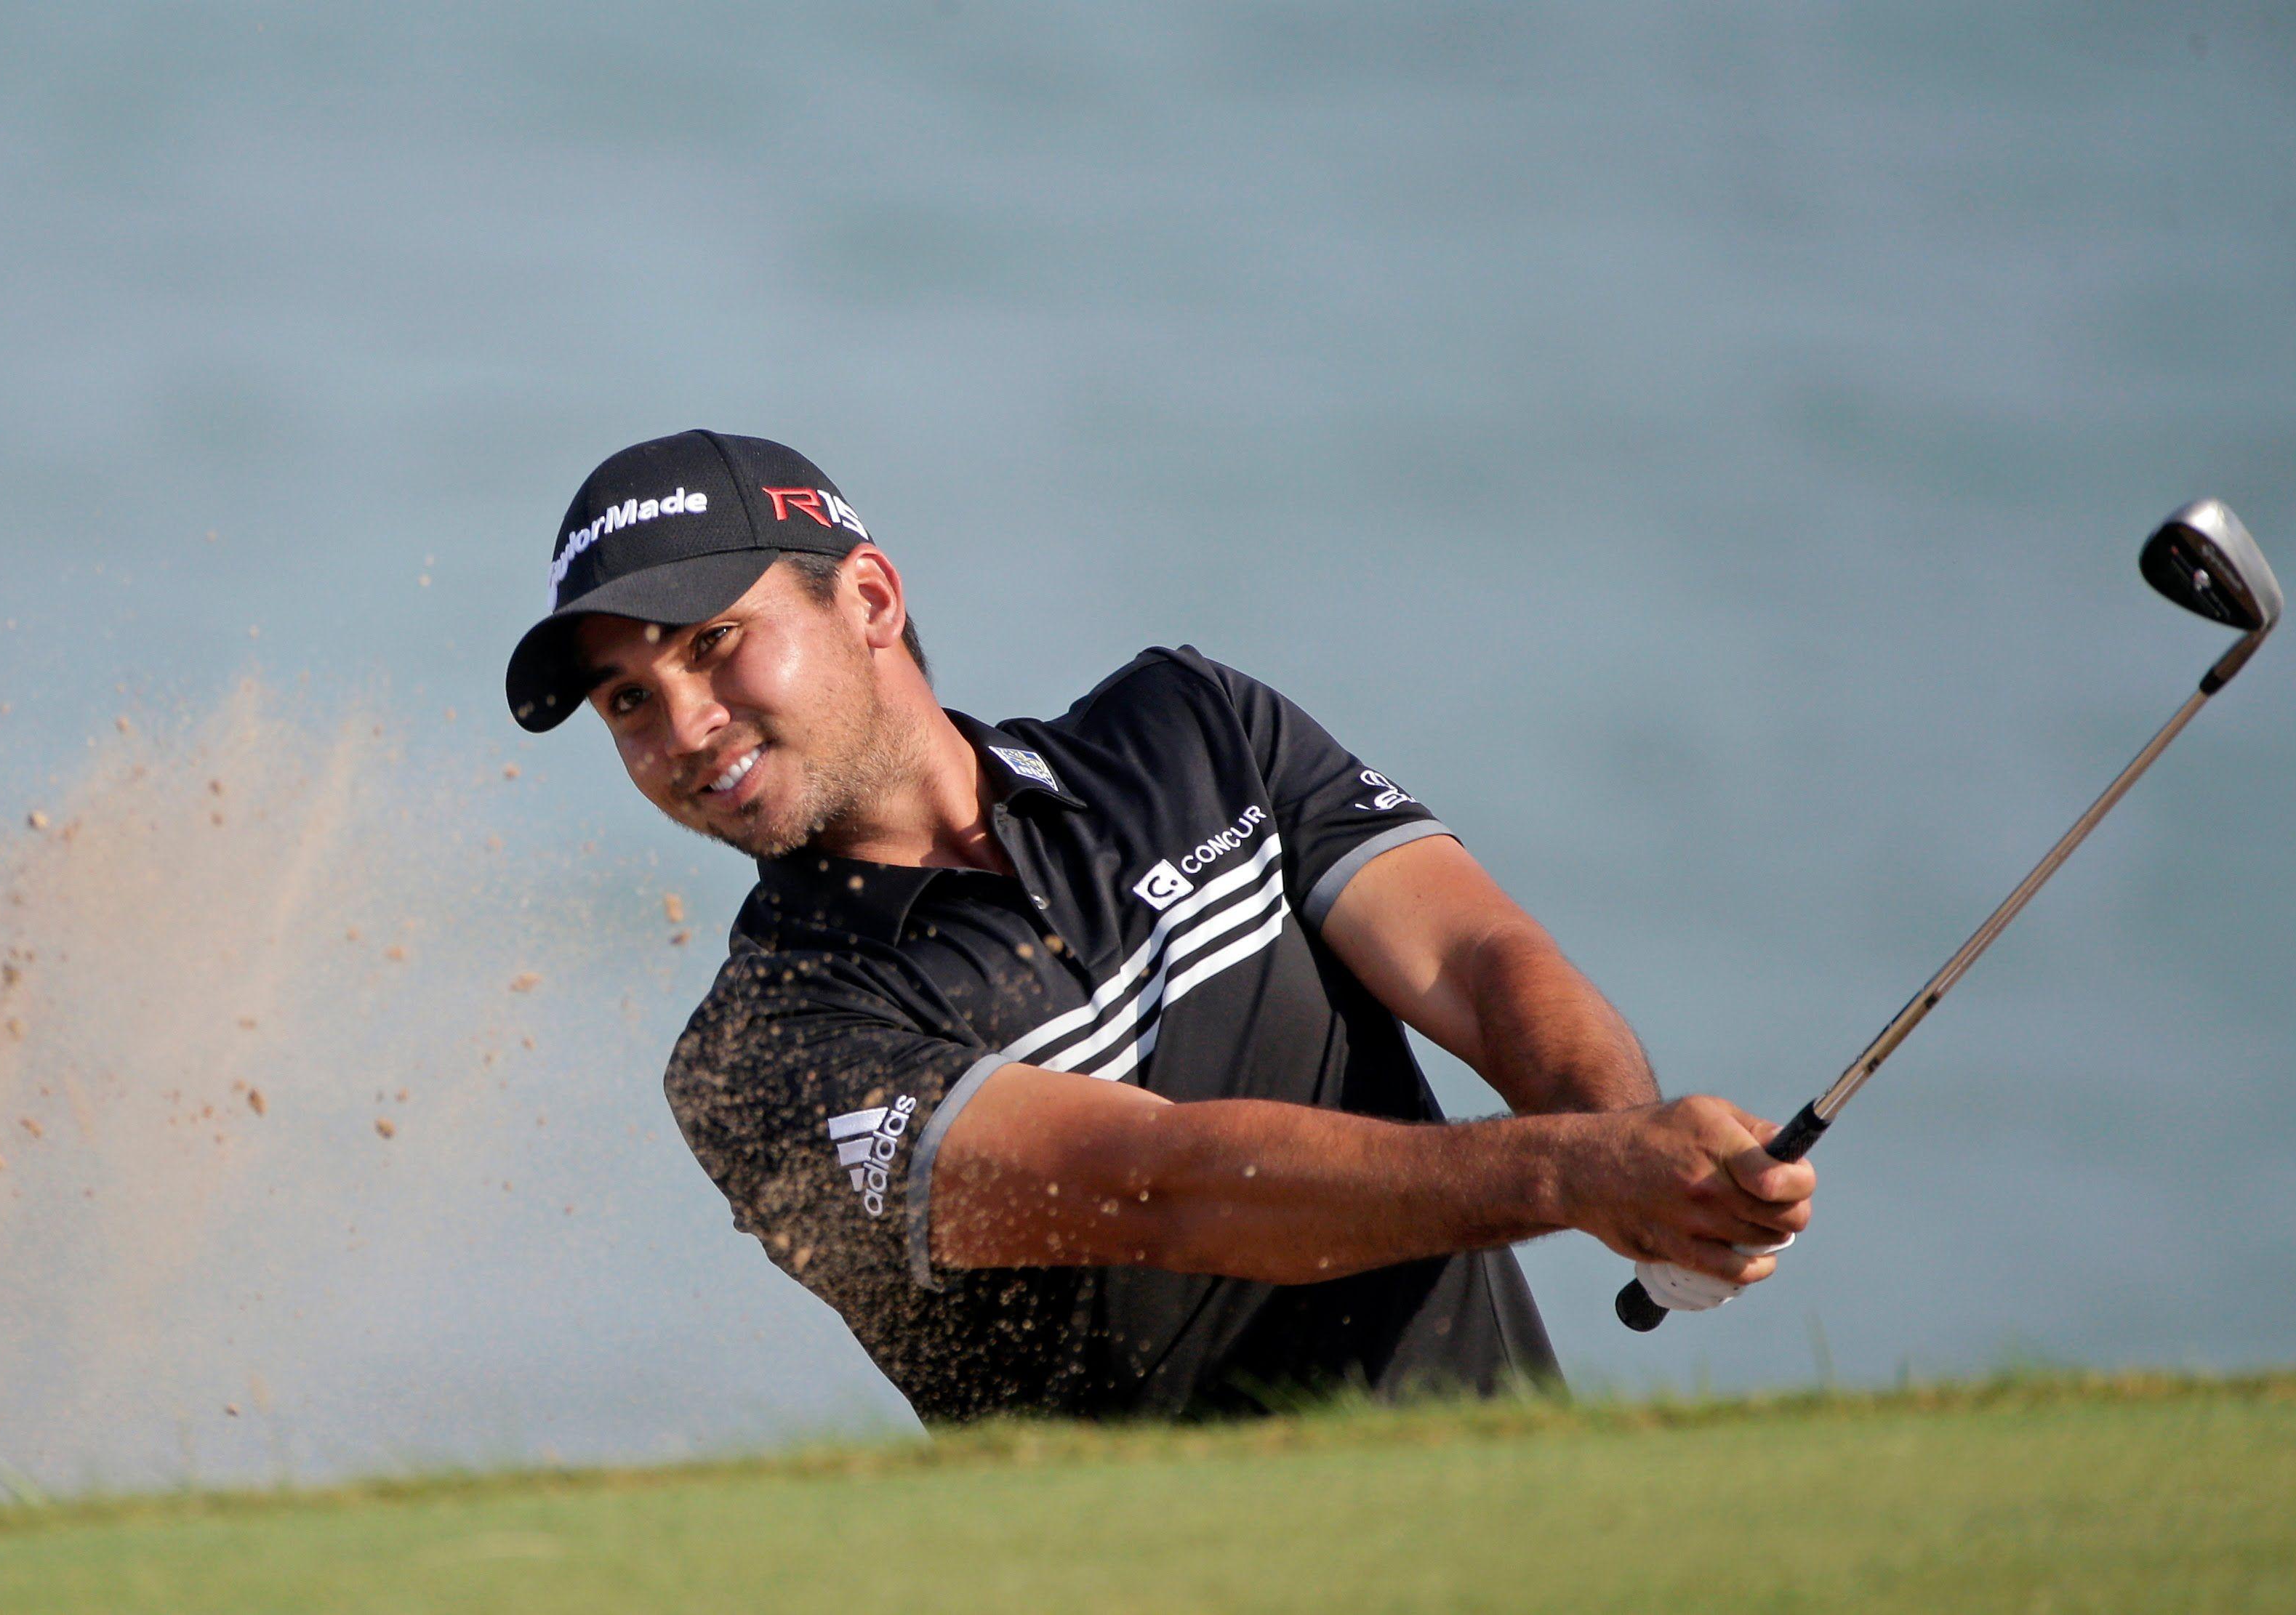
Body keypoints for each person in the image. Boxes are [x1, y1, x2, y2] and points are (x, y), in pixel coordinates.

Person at [505, 430, 1815, 1419]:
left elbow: (1475, 959)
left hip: (1521, 1512)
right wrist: (1576, 1175)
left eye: (713, 643)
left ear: (869, 602)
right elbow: (1163, 1189)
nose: (682, 727)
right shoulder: (759, 1054)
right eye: (626, 700)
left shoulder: (1193, 729)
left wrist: (1643, 1169)